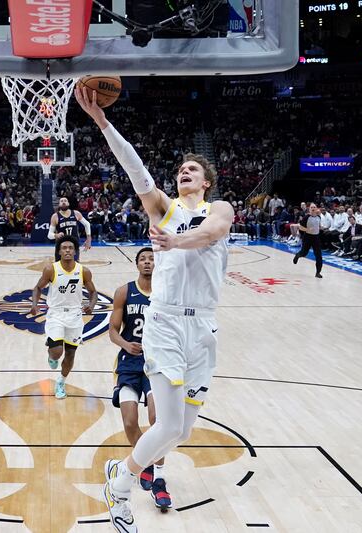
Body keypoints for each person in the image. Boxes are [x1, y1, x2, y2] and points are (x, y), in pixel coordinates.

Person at [76, 86, 232, 533]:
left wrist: (174, 242)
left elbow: (211, 233)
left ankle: (120, 475)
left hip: (203, 328)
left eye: (193, 169)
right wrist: (103, 123)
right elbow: (136, 171)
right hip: (163, 323)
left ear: (205, 182)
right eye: (181, 168)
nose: (184, 171)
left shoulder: (219, 208)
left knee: (182, 431)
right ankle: (121, 485)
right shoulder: (162, 209)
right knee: (165, 425)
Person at [108, 247, 171, 511]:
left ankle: (158, 479)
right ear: (137, 265)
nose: (148, 262)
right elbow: (112, 330)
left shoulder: (167, 291)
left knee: (158, 420)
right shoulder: (124, 291)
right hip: (129, 364)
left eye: (152, 258)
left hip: (156, 363)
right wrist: (125, 343)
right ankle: (144, 463)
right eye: (143, 259)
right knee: (130, 423)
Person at [30, 236, 97, 400]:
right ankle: (51, 353)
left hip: (75, 315)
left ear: (75, 251)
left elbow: (93, 292)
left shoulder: (84, 271)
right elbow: (38, 287)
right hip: (56, 314)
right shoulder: (51, 269)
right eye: (64, 248)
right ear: (59, 251)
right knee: (57, 352)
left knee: (70, 354)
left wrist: (92, 304)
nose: (67, 250)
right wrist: (34, 304)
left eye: (71, 248)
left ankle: (61, 381)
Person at [292, 203, 323, 278]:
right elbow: (301, 228)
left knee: (319, 256)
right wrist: (308, 229)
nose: (313, 208)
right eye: (311, 207)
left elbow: (319, 226)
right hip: (308, 237)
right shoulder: (306, 217)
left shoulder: (319, 217)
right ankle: (297, 255)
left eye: (314, 207)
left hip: (316, 237)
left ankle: (318, 272)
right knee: (304, 253)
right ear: (309, 209)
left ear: (316, 209)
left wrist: (321, 227)